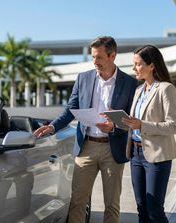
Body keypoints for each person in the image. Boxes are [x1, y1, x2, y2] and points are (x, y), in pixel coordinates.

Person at [33, 36, 138, 223]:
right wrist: (53, 126)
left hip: (113, 149)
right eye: (93, 57)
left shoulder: (129, 83)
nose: (95, 62)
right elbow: (70, 109)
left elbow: (132, 119)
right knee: (78, 201)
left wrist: (114, 126)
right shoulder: (83, 78)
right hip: (86, 148)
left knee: (112, 204)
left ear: (112, 55)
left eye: (99, 57)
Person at [121, 45, 176, 223]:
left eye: (138, 64)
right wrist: (119, 120)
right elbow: (136, 124)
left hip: (157, 156)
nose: (134, 69)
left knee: (154, 209)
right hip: (136, 154)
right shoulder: (139, 91)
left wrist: (142, 124)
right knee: (141, 208)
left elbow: (173, 126)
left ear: (152, 66)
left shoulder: (166, 89)